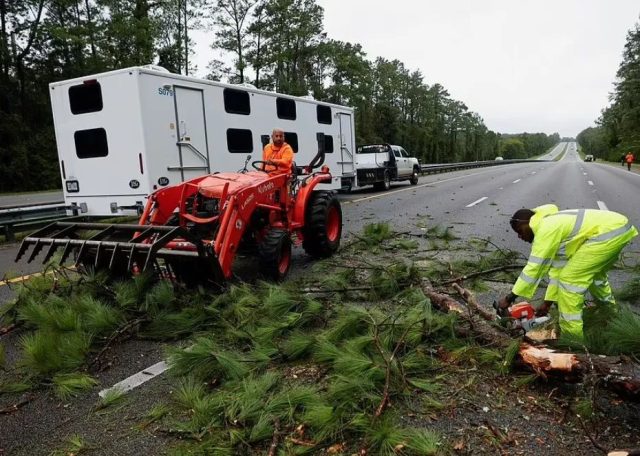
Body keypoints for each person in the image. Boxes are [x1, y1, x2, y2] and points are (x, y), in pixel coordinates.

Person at [498, 204, 637, 343]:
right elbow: (557, 271)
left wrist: (509, 298)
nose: (519, 236)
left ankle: (573, 340)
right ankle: (610, 314)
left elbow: (533, 270)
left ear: (526, 223)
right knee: (596, 277)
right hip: (619, 227)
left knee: (570, 282)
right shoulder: (549, 224)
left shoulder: (545, 230)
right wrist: (547, 303)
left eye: (519, 230)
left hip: (607, 233)